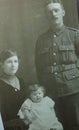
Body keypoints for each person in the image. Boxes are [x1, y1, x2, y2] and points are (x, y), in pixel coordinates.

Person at [35, 0, 79, 130]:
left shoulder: (74, 35)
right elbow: (39, 67)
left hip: (74, 91)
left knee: (75, 125)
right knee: (56, 126)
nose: (53, 14)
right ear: (46, 16)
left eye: (56, 10)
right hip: (51, 92)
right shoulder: (41, 40)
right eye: (49, 12)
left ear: (63, 13)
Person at [0, 50, 28, 130]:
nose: (13, 65)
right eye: (9, 62)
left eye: (15, 61)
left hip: (25, 124)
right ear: (1, 64)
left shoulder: (21, 81)